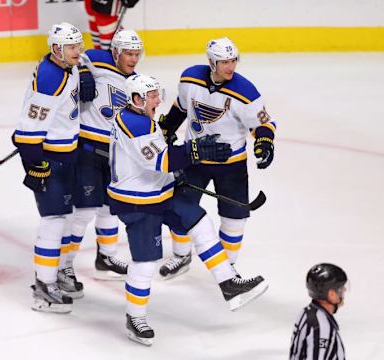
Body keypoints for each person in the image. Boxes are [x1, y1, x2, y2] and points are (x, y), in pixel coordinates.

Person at [109, 74, 269, 346]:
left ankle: (229, 283)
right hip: (137, 201)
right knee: (146, 262)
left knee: (198, 219)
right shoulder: (134, 124)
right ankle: (135, 317)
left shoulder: (141, 118)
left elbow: (160, 155)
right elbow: (161, 160)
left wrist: (185, 159)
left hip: (159, 191)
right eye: (152, 96)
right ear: (136, 99)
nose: (158, 99)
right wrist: (195, 151)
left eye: (157, 93)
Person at [157, 37, 277, 279]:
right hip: (194, 158)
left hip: (231, 164)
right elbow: (181, 108)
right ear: (211, 62)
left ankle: (227, 268)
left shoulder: (246, 92)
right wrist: (168, 127)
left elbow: (263, 124)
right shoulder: (190, 78)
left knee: (234, 219)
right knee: (180, 210)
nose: (231, 67)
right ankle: (181, 256)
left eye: (233, 60)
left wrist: (264, 141)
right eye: (224, 62)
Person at [58, 30, 143, 284]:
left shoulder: (136, 81)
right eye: (128, 53)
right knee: (82, 211)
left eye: (137, 54)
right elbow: (73, 60)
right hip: (87, 149)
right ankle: (65, 266)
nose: (133, 59)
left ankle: (105, 256)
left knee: (110, 206)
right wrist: (83, 74)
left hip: (117, 153)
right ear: (115, 51)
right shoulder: (96, 59)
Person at [12, 22, 83, 313]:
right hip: (51, 159)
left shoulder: (68, 65)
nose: (79, 52)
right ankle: (43, 288)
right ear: (57, 49)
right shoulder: (51, 80)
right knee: (53, 221)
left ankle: (56, 275)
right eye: (73, 47)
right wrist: (35, 164)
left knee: (65, 218)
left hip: (68, 156)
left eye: (79, 46)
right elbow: (28, 133)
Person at [289, 263, 348, 360]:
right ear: (331, 294)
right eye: (341, 288)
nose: (344, 290)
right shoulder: (322, 326)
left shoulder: (305, 312)